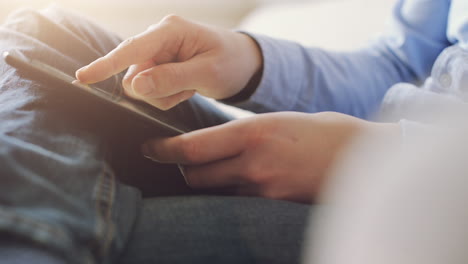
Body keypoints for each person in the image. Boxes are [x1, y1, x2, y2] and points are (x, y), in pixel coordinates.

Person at [0, 0, 465, 264]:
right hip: (383, 153)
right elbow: (402, 64)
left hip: (433, 214)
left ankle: (31, 236)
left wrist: (373, 158)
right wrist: (248, 64)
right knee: (43, 29)